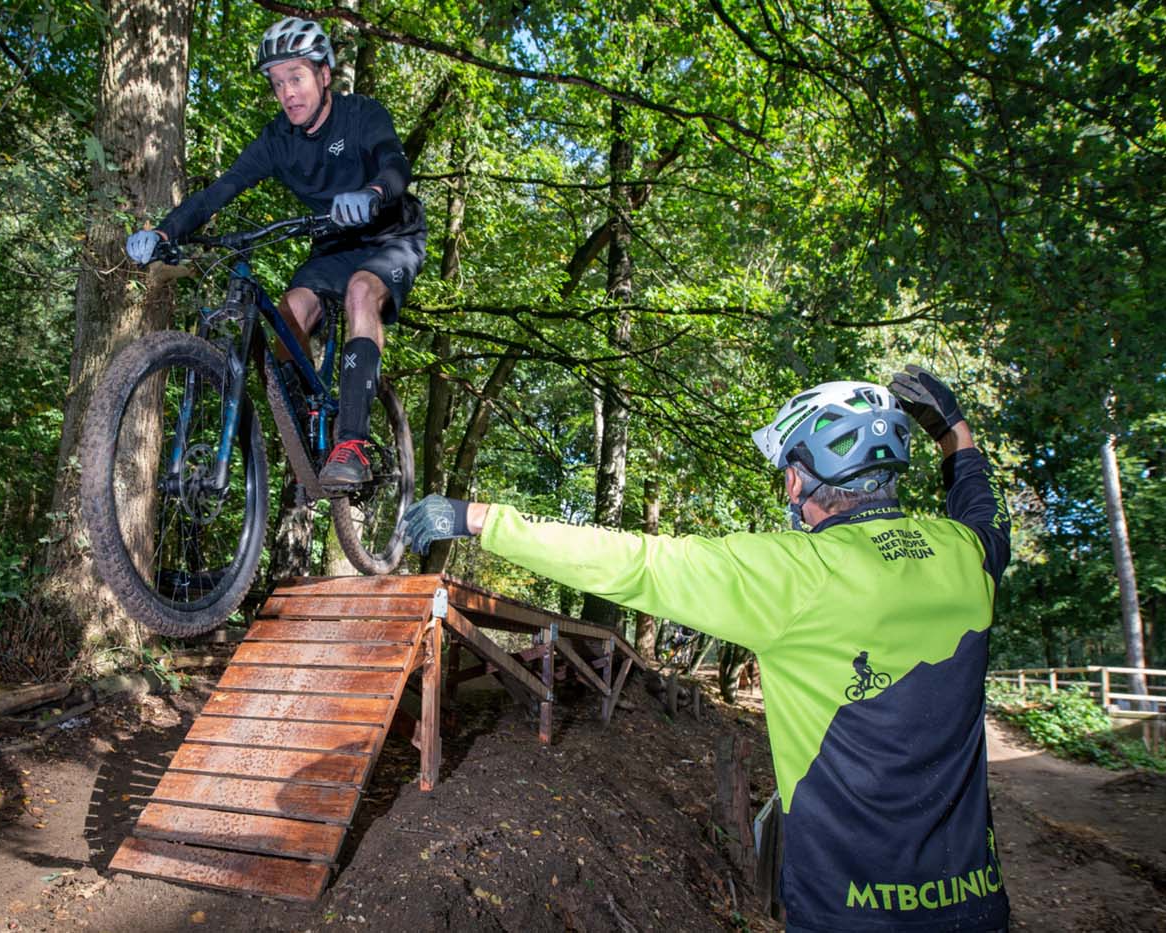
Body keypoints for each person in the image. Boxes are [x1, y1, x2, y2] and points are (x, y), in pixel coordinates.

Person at [401, 366, 1012, 932]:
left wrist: (477, 517)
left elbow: (633, 563)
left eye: (786, 476)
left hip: (847, 907)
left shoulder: (795, 573)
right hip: (978, 900)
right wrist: (954, 430)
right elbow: (982, 508)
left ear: (800, 478)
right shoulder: (966, 556)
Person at [124, 16, 427, 491]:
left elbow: (394, 165)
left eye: (297, 77)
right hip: (334, 242)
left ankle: (353, 442)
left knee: (360, 293)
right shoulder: (277, 141)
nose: (288, 92)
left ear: (324, 75)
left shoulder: (361, 115)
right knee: (289, 316)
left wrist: (371, 192)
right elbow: (219, 191)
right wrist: (165, 233)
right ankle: (311, 415)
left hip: (392, 236)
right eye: (278, 82)